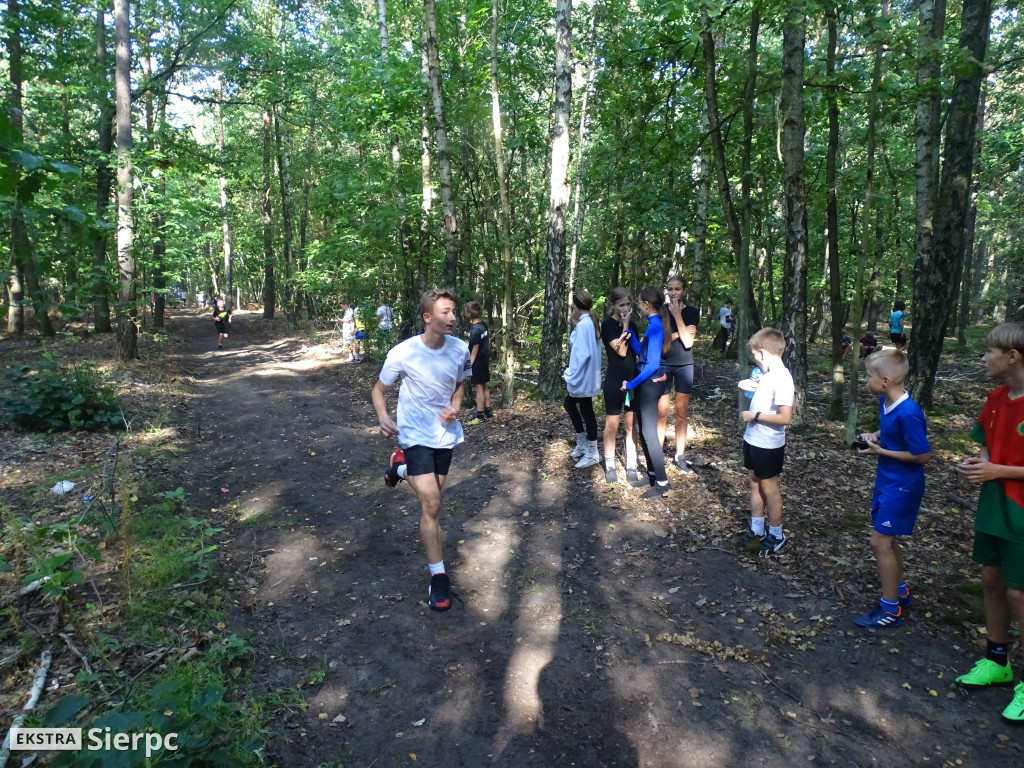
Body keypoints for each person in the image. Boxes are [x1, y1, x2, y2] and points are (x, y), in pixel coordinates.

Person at [373, 288, 471, 613]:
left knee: (433, 496)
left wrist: (455, 407)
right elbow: (379, 390)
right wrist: (384, 417)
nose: (453, 317)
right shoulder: (403, 353)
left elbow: (459, 386)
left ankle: (398, 470)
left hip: (444, 434)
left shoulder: (460, 349)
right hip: (413, 432)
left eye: (453, 311)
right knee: (432, 504)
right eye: (445, 312)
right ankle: (438, 576)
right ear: (428, 317)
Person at [953, 323, 1024, 724]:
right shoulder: (996, 398)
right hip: (994, 509)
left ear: (1012, 356)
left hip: (1022, 513)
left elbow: (1001, 464)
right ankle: (997, 659)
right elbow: (987, 445)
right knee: (993, 581)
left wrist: (997, 469)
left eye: (989, 351)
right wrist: (980, 464)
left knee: (1021, 595)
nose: (983, 358)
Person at [853, 350, 931, 628]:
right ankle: (901, 592)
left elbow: (922, 455)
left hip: (903, 486)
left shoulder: (909, 413)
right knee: (888, 541)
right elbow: (891, 434)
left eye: (868, 376)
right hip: (887, 481)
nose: (865, 380)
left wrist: (880, 452)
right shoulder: (884, 402)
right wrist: (876, 437)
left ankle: (890, 610)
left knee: (879, 543)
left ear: (885, 381)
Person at [736, 328, 794, 556]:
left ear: (762, 353)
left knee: (770, 489)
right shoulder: (768, 375)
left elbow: (785, 418)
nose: (754, 359)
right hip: (753, 439)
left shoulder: (783, 379)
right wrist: (753, 387)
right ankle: (757, 529)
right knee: (754, 482)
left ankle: (777, 534)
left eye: (754, 355)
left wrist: (755, 416)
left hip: (769, 445)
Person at [623, 286, 672, 498]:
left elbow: (651, 365)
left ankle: (662, 483)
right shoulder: (652, 324)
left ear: (646, 305)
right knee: (644, 429)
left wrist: (631, 384)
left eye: (639, 302)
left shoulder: (655, 326)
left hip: (651, 381)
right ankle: (652, 475)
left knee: (649, 433)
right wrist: (631, 333)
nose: (637, 306)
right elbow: (641, 352)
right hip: (649, 380)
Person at [659, 275, 700, 473]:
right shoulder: (660, 312)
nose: (673, 293)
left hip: (685, 365)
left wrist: (677, 316)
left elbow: (689, 343)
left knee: (681, 411)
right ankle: (657, 453)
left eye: (677, 289)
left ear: (684, 291)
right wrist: (679, 332)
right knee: (662, 410)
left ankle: (679, 455)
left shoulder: (692, 312)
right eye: (670, 289)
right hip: (664, 364)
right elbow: (661, 344)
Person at [601, 287, 640, 485]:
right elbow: (621, 351)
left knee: (631, 424)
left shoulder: (634, 325)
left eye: (628, 304)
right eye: (621, 304)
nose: (625, 308)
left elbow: (636, 353)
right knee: (612, 424)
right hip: (614, 379)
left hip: (632, 380)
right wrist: (625, 326)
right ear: (613, 305)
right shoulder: (607, 325)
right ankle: (609, 465)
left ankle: (631, 464)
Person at [563, 290, 602, 469]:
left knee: (586, 411)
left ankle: (593, 452)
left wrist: (571, 374)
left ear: (576, 306)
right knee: (571, 405)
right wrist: (575, 324)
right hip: (588, 376)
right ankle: (583, 443)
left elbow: (581, 353)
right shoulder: (590, 323)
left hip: (583, 376)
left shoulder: (586, 325)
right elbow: (578, 343)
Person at [466, 301, 492, 422]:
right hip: (484, 359)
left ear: (468, 314)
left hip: (477, 361)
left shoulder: (475, 329)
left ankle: (480, 416)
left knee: (478, 387)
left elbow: (475, 347)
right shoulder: (483, 325)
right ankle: (488, 409)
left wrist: (470, 363)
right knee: (484, 384)